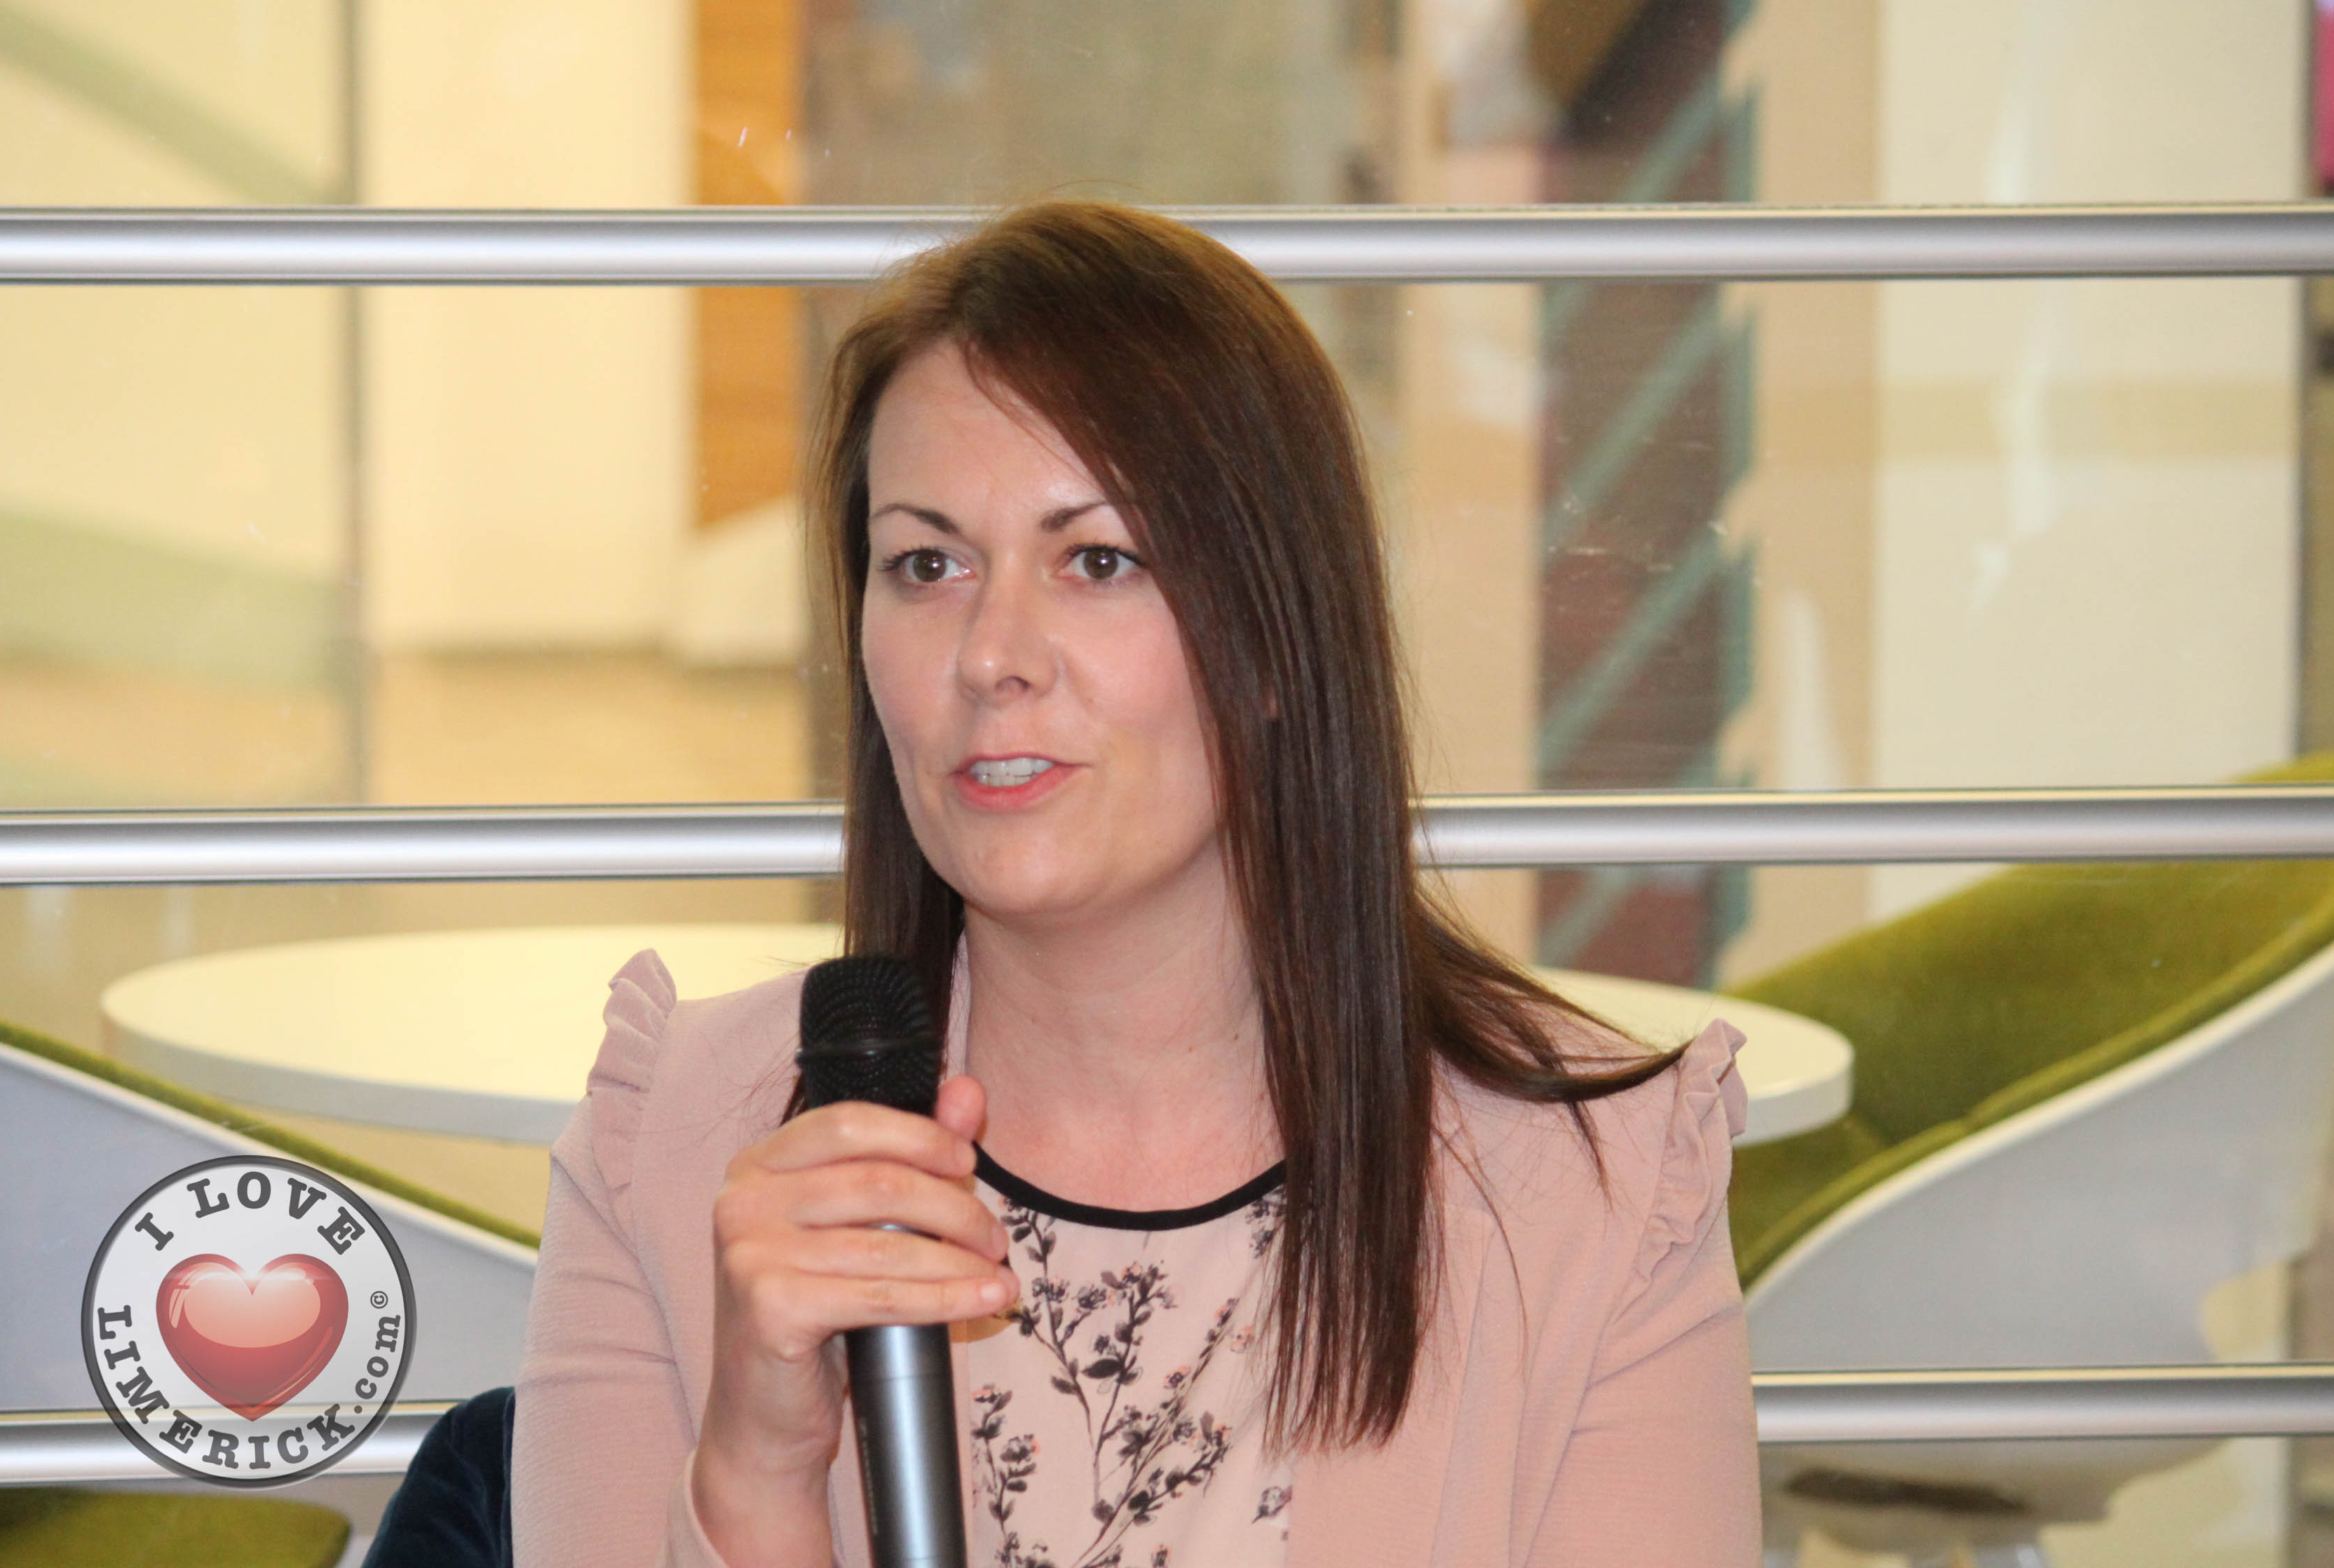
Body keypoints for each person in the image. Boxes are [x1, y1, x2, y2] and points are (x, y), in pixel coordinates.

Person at [512, 200, 1758, 1568]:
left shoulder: (1596, 1191)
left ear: (1275, 637)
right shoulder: (674, 1148)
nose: (992, 654)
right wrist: (758, 1476)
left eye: (1098, 561)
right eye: (927, 564)